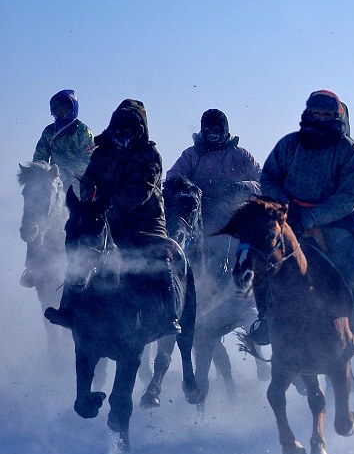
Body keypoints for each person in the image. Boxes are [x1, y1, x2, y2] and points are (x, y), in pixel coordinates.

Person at [253, 90, 354, 345]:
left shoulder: (349, 151)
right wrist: (287, 208)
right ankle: (266, 320)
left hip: (336, 221)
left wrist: (312, 217)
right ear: (308, 114)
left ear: (336, 117)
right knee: (263, 261)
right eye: (317, 114)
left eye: (327, 115)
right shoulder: (289, 144)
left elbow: (348, 196)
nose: (321, 119)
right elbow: (269, 177)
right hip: (289, 219)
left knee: (352, 266)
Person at [45, 99, 182, 341]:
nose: (123, 133)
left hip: (145, 220)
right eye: (119, 128)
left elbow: (143, 189)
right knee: (79, 246)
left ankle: (168, 315)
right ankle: (67, 309)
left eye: (129, 128)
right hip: (103, 216)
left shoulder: (149, 155)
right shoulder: (102, 152)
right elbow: (88, 179)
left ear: (139, 130)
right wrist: (91, 202)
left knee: (160, 257)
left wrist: (111, 208)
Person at [166, 109, 261, 267]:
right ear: (203, 131)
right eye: (209, 130)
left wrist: (244, 187)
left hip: (231, 215)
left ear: (225, 130)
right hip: (198, 215)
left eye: (217, 130)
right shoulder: (192, 155)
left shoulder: (241, 156)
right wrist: (189, 190)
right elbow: (173, 178)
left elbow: (263, 181)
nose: (213, 134)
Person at [23, 89, 95, 287]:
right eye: (56, 108)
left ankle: (91, 258)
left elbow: (89, 158)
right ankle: (32, 267)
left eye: (64, 107)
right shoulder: (49, 131)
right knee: (35, 212)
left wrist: (67, 171)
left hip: (78, 182)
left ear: (72, 108)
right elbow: (39, 156)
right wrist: (40, 173)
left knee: (89, 214)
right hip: (52, 180)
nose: (60, 112)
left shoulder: (82, 131)